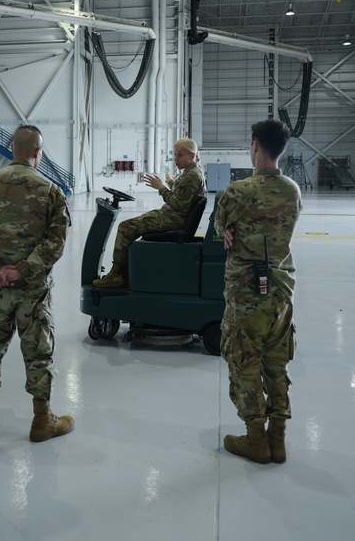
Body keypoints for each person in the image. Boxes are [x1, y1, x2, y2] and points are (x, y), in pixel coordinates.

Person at [0, 125, 73, 442]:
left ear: (12, 149)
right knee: (38, 351)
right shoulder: (51, 190)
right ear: (38, 153)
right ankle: (42, 420)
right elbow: (55, 243)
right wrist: (22, 270)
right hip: (33, 291)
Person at [213, 119, 302, 464]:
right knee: (277, 364)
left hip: (246, 294)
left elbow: (221, 224)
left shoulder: (239, 191)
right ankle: (277, 439)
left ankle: (255, 437)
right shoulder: (292, 190)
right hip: (280, 292)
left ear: (254, 146)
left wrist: (227, 230)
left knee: (244, 362)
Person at [93, 137, 206, 287]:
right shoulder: (191, 172)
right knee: (131, 224)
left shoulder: (192, 175)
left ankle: (117, 274)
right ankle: (123, 272)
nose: (175, 159)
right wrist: (170, 182)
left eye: (180, 155)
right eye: (175, 155)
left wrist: (161, 188)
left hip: (175, 218)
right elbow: (182, 194)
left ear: (192, 156)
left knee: (126, 227)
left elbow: (178, 204)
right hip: (172, 215)